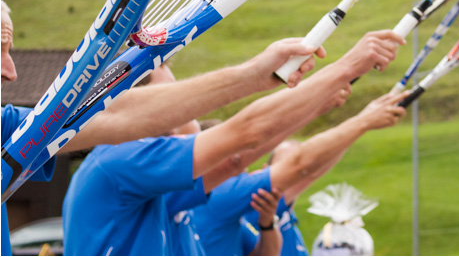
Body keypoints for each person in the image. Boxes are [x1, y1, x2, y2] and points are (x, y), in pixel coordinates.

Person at [61, 29, 405, 256]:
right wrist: (346, 68)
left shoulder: (141, 177)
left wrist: (319, 98)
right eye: (172, 101)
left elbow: (234, 159)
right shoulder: (123, 163)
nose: (187, 109)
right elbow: (248, 136)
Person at [197, 94, 406, 256]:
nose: (241, 166)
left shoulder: (239, 213)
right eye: (233, 157)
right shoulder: (223, 197)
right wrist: (362, 122)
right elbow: (305, 167)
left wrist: (268, 224)